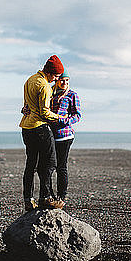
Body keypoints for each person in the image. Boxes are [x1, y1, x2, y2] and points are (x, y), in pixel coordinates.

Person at [19, 55, 67, 211]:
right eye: (57, 76)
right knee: (50, 163)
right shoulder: (45, 86)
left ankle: (28, 199)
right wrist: (60, 117)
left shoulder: (30, 80)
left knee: (31, 164)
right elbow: (44, 112)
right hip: (40, 128)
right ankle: (46, 197)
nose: (56, 80)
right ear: (51, 73)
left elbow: (27, 105)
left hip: (26, 127)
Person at [50, 70, 81, 205]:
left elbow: (77, 115)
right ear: (57, 80)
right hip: (50, 135)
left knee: (61, 166)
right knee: (49, 166)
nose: (65, 83)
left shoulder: (72, 95)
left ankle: (61, 196)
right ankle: (49, 196)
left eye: (67, 80)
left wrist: (64, 120)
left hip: (65, 135)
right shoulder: (51, 93)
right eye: (62, 80)